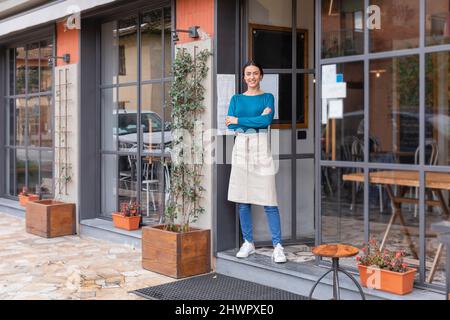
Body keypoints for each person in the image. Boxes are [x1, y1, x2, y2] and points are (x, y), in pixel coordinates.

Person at [225, 61, 287, 263]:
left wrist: (239, 120)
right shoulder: (236, 98)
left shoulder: (268, 97)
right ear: (244, 77)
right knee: (243, 200)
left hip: (261, 145)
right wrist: (246, 121)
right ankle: (248, 242)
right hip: (241, 145)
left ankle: (278, 246)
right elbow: (229, 123)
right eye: (248, 74)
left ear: (261, 76)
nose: (251, 77)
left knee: (269, 198)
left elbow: (265, 122)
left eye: (255, 73)